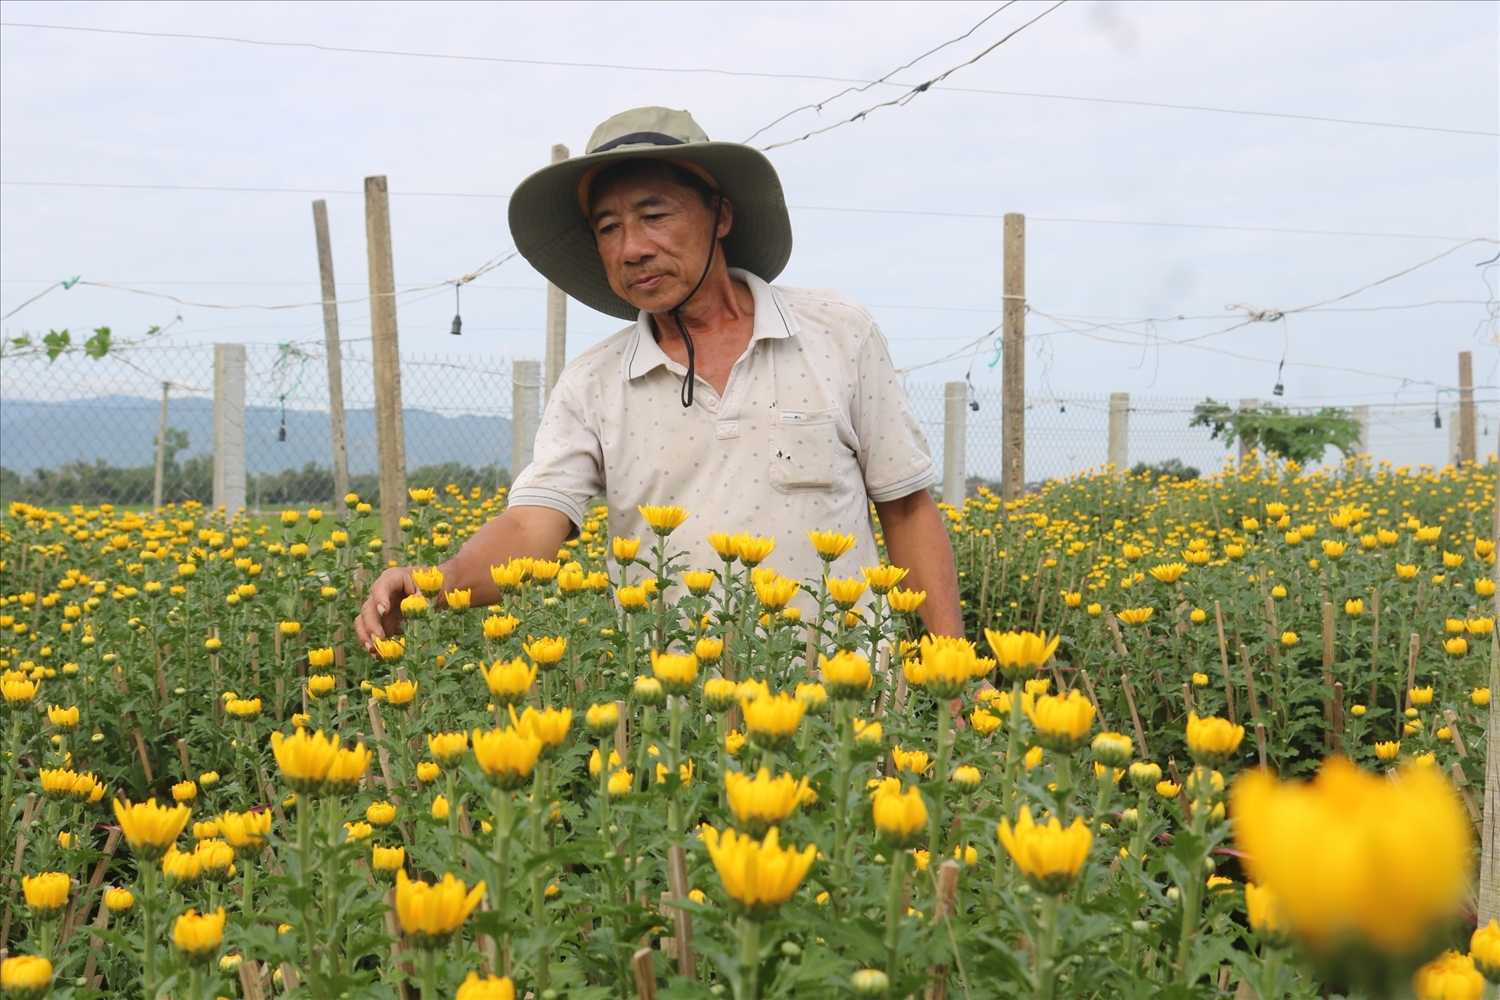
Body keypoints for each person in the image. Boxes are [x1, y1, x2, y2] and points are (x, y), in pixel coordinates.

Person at [355, 106, 961, 652]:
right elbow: (531, 524)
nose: (632, 248)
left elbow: (906, 509)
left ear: (720, 216)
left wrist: (952, 674)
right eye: (609, 227)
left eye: (654, 215)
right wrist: (437, 583)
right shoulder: (593, 383)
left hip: (850, 711)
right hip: (678, 731)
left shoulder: (837, 333)